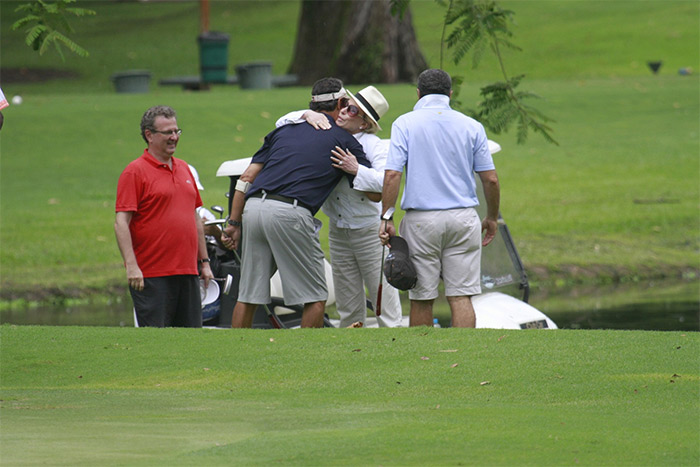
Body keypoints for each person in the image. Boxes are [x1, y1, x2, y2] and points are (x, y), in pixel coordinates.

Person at [222, 78, 371, 328]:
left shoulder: (283, 130)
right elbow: (372, 189)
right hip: (290, 213)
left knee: (248, 295)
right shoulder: (345, 141)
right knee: (315, 297)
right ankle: (305, 357)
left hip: (253, 208)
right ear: (341, 103)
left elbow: (246, 178)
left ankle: (235, 352)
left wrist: (233, 223)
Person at [379, 69, 500, 328]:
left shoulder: (405, 123)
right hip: (464, 218)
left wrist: (386, 216)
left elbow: (392, 175)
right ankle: (463, 358)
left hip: (422, 221)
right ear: (450, 94)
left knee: (422, 297)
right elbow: (490, 179)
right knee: (460, 295)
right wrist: (491, 217)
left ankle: (424, 360)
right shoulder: (471, 125)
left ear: (419, 93)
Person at [275, 86, 403, 328]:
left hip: (369, 231)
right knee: (347, 303)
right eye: (344, 104)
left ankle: (395, 352)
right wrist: (306, 115)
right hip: (338, 230)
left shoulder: (375, 145)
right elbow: (281, 123)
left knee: (383, 301)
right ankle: (349, 355)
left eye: (352, 109)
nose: (343, 111)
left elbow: (386, 181)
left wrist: (356, 169)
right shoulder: (324, 131)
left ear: (364, 123)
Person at [115, 105, 214, 327]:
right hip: (152, 274)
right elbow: (121, 222)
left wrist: (204, 262)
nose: (174, 137)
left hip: (188, 272)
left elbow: (195, 217)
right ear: (149, 135)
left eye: (176, 131)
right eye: (168, 132)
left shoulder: (185, 168)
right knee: (156, 343)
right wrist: (131, 266)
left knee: (189, 342)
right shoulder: (135, 171)